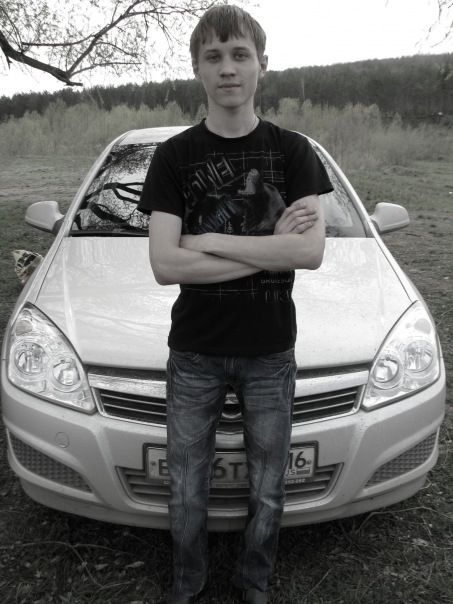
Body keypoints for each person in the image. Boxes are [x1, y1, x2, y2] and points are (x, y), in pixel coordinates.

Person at [138, 5, 333, 603]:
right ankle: (188, 581)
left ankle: (254, 582)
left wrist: (207, 241)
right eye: (214, 57)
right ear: (197, 69)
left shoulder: (293, 152)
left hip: (269, 351)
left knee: (269, 487)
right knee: (185, 488)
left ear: (262, 65)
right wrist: (272, 248)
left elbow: (310, 253)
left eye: (240, 54)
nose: (228, 68)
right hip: (194, 351)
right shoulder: (173, 157)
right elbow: (165, 265)